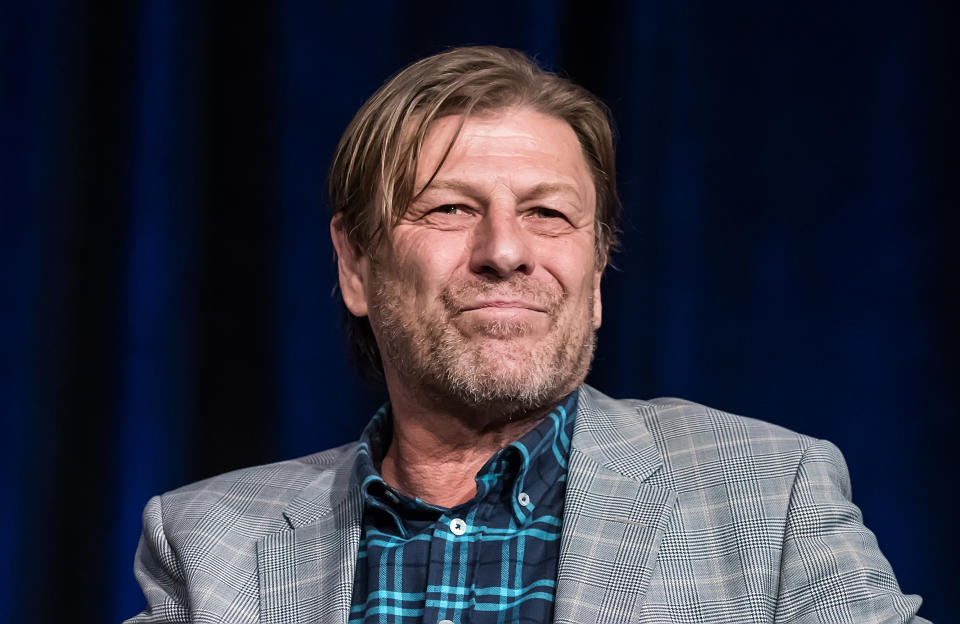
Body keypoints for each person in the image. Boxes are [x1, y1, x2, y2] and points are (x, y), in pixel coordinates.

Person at [127, 46, 927, 624]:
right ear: (356, 263)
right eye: (449, 208)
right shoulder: (211, 545)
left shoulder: (768, 499)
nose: (506, 251)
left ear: (597, 269)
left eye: (548, 214)